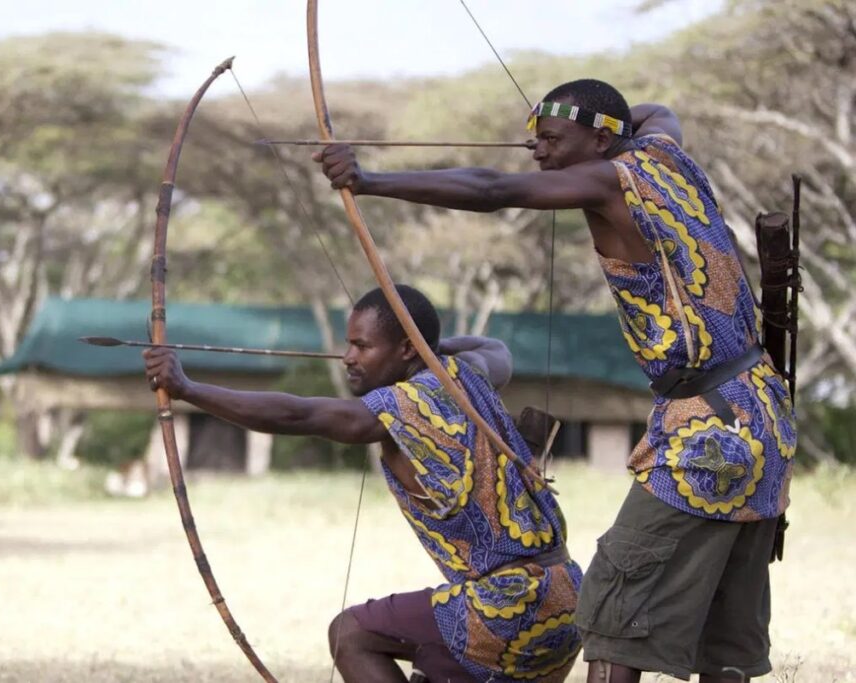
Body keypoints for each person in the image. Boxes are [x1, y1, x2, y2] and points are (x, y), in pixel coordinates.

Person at [314, 79, 797, 683]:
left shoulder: (608, 177)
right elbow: (656, 112)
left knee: (612, 605)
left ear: (600, 140)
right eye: (532, 140)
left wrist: (370, 181)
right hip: (764, 417)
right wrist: (576, 123)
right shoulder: (665, 153)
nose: (536, 154)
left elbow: (493, 190)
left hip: (707, 432)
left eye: (548, 141)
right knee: (727, 627)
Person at [145, 285, 582, 683]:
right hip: (567, 599)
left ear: (407, 349)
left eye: (362, 345)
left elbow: (297, 415)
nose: (348, 357)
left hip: (509, 608)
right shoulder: (465, 372)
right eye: (349, 343)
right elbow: (496, 348)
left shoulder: (402, 407)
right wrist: (426, 350)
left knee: (350, 634)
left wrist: (186, 388)